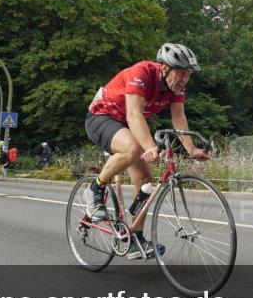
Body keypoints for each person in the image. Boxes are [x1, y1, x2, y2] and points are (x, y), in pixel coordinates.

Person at [83, 43, 209, 260]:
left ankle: (134, 238)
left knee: (145, 181)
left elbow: (178, 118)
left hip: (127, 126)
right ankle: (95, 189)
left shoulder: (177, 88)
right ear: (164, 68)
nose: (184, 80)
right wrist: (150, 147)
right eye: (180, 73)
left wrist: (191, 148)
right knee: (132, 148)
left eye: (188, 75)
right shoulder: (141, 72)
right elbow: (134, 115)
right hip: (102, 117)